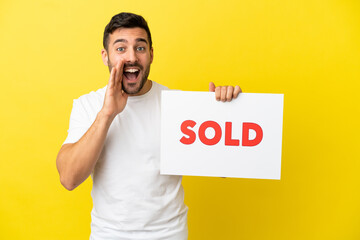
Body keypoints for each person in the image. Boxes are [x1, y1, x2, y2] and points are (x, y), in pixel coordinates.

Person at [56, 12, 242, 240]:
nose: (132, 57)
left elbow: (224, 168)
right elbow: (68, 178)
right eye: (121, 48)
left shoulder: (179, 105)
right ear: (106, 56)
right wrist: (107, 113)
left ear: (151, 55)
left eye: (140, 48)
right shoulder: (88, 105)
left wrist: (225, 114)